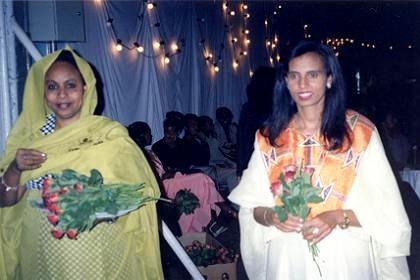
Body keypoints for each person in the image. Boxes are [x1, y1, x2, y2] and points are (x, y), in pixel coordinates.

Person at [228, 41, 411, 279]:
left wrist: (335, 217)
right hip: (288, 257)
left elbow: (387, 210)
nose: (302, 84)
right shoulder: (270, 137)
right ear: (285, 81)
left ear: (329, 78)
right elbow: (252, 208)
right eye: (294, 76)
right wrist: (273, 216)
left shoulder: (359, 132)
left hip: (345, 254)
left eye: (312, 74)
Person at [0, 48, 163, 279]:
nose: (62, 94)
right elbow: (7, 200)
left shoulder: (107, 136)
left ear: (85, 88)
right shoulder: (33, 139)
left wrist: (91, 211)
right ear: (43, 92)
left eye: (70, 85)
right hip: (39, 254)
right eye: (52, 86)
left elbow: (139, 193)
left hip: (95, 252)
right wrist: (15, 169)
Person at [237, 66, 276, 178]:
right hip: (276, 161)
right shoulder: (281, 109)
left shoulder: (248, 108)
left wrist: (241, 170)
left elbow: (243, 142)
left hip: (254, 162)